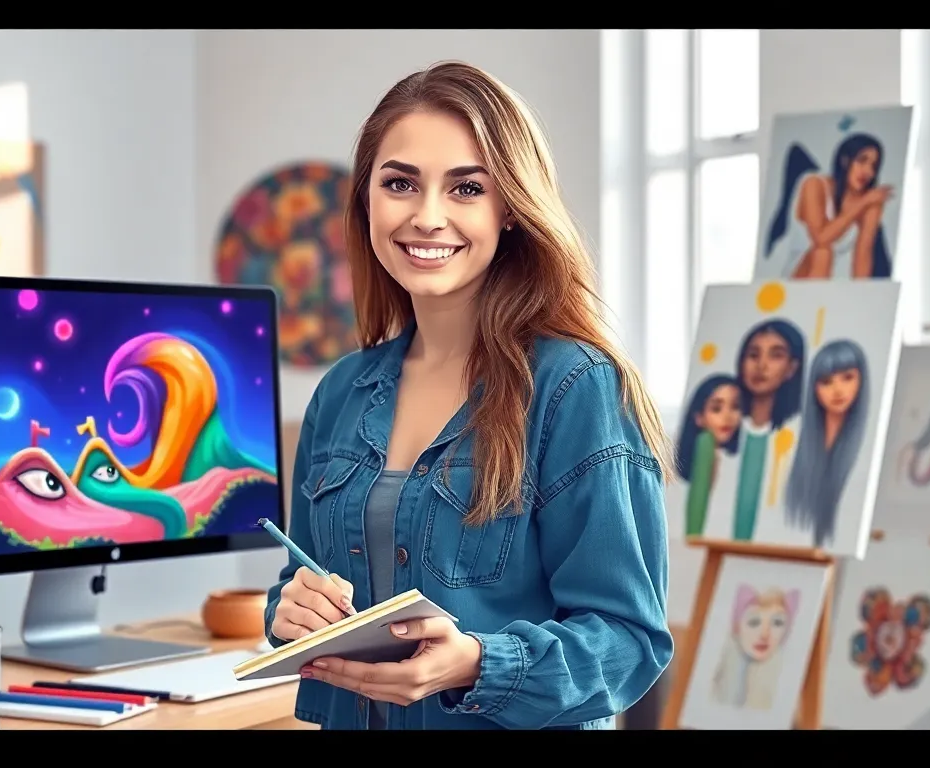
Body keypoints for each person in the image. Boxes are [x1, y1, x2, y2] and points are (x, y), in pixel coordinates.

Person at [261, 61, 674, 730]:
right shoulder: (340, 394)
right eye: (400, 183)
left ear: (509, 207)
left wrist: (477, 662)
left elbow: (629, 642)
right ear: (367, 199)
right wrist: (290, 611)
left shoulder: (577, 387)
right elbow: (300, 581)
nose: (427, 217)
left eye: (466, 188)